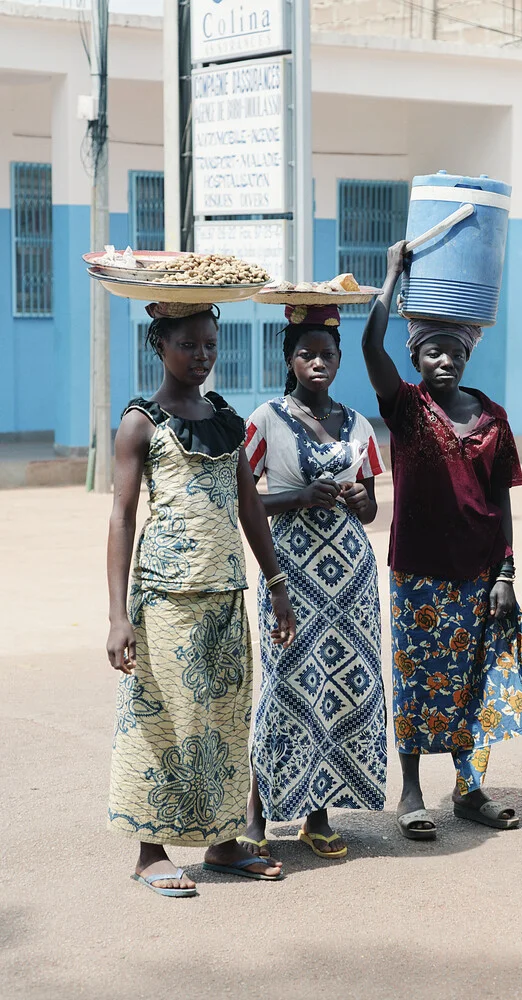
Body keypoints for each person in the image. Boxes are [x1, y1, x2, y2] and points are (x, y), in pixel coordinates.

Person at [362, 242, 522, 840]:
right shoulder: (404, 406)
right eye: (431, 350)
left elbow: (501, 501)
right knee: (419, 678)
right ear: (417, 358)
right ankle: (411, 793)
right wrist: (394, 273)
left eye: (454, 349)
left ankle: (469, 788)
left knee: (475, 679)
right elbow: (372, 346)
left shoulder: (494, 418)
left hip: (479, 571)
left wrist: (506, 572)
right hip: (419, 568)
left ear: (469, 353)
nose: (444, 358)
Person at [107, 301, 296, 896]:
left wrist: (277, 585)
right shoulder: (142, 422)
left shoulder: (225, 418)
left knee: (224, 721)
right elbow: (121, 516)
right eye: (188, 345)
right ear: (158, 345)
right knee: (163, 720)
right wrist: (117, 617)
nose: (202, 356)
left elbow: (249, 507)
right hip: (165, 598)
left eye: (210, 344)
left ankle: (222, 841)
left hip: (224, 595)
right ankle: (150, 850)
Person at [242, 304, 387, 860]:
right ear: (290, 359)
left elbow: (372, 507)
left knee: (335, 689)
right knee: (284, 687)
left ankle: (317, 812)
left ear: (339, 358)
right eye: (306, 354)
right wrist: (299, 497)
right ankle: (257, 810)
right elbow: (246, 500)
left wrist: (358, 498)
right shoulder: (266, 421)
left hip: (350, 581)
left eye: (326, 354)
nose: (317, 363)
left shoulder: (359, 425)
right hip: (291, 573)